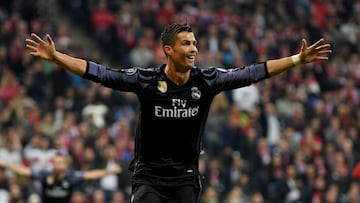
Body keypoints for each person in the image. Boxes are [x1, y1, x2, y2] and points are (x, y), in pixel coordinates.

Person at [24, 22, 332, 203]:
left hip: (185, 178)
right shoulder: (145, 80)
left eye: (195, 43)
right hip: (148, 177)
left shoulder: (207, 80)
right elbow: (102, 73)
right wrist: (56, 57)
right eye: (186, 43)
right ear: (168, 50)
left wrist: (296, 60)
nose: (194, 48)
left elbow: (251, 72)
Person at [0, 151, 121, 203]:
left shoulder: (71, 177)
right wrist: (6, 165)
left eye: (60, 162)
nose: (58, 164)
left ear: (65, 165)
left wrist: (110, 171)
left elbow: (91, 175)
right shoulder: (44, 175)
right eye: (56, 162)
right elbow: (23, 172)